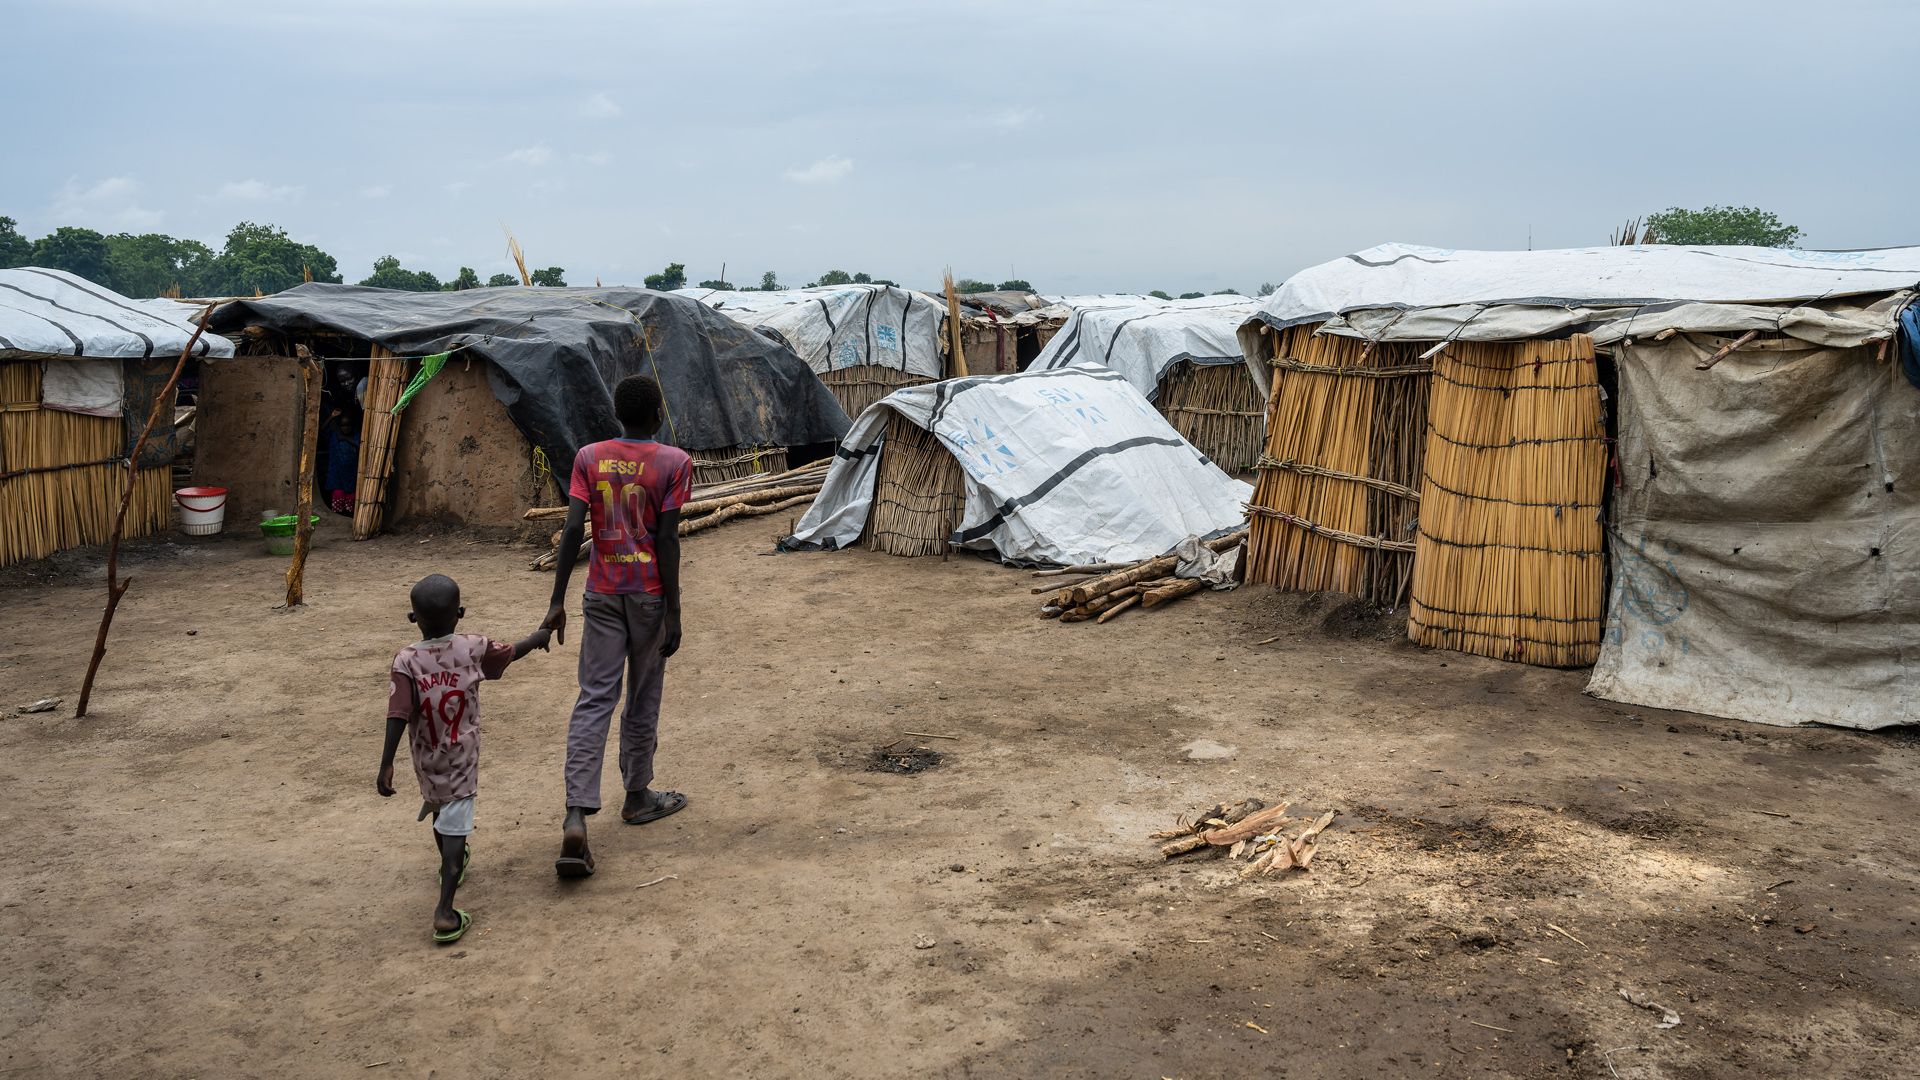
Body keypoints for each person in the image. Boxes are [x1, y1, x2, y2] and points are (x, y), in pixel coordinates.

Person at [542, 374, 691, 879]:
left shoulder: (589, 457)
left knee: (594, 699)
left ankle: (576, 814)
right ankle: (637, 795)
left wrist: (556, 601)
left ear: (617, 413)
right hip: (648, 596)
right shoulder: (674, 462)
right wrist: (674, 610)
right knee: (642, 695)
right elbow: (667, 540)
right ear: (658, 415)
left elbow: (572, 528)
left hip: (601, 594)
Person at [378, 574, 551, 943]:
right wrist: (538, 638)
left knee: (440, 808)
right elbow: (511, 653)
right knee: (456, 827)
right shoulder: (473, 647)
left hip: (426, 757)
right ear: (460, 613)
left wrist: (386, 763)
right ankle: (444, 910)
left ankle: (450, 863)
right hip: (462, 757)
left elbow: (398, 713)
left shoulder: (406, 661)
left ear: (413, 618)